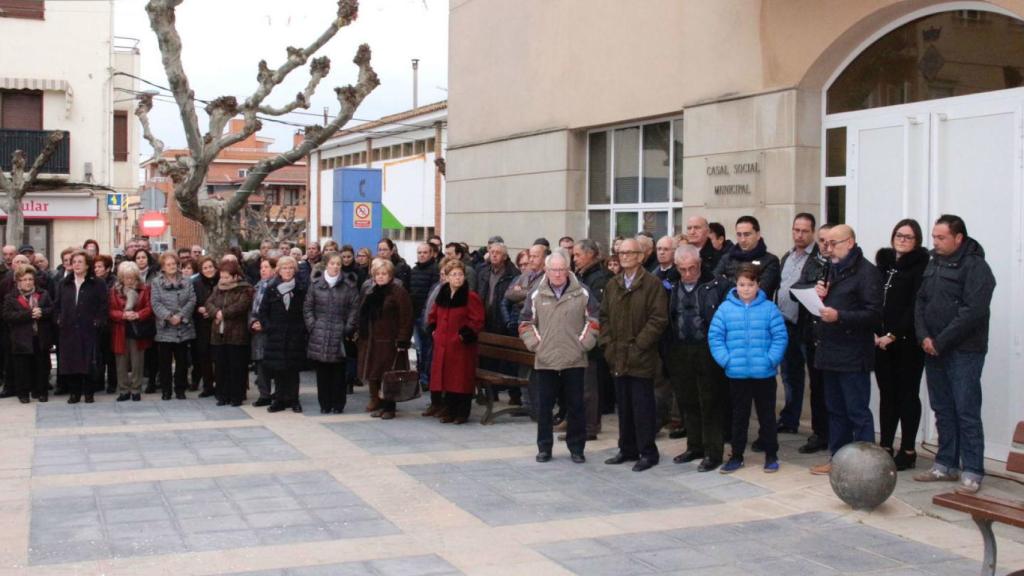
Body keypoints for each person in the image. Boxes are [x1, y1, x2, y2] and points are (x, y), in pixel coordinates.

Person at [913, 215, 996, 494]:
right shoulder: (934, 262)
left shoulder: (976, 267)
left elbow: (972, 312)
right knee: (943, 409)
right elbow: (921, 301)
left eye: (941, 238)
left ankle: (972, 469)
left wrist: (941, 341)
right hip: (933, 348)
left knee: (966, 409)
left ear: (958, 238)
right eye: (934, 237)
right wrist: (924, 336)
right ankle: (945, 464)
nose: (934, 243)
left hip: (963, 351)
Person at [809, 225, 883, 476]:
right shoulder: (831, 267)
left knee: (857, 411)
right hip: (829, 351)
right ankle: (837, 459)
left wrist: (839, 315)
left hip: (853, 354)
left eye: (834, 243)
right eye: (826, 243)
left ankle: (867, 467)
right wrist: (821, 296)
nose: (828, 248)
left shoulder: (867, 273)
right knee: (835, 410)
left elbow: (873, 315)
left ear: (850, 242)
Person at [519, 251, 599, 463]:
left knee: (576, 406)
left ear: (568, 270)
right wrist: (537, 345)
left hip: (574, 359)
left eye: (561, 269)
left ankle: (577, 448)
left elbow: (594, 320)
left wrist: (583, 344)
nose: (557, 274)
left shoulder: (583, 292)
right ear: (546, 270)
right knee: (544, 408)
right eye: (553, 270)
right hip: (546, 360)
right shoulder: (535, 294)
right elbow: (526, 323)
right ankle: (544, 448)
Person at [709, 264, 788, 474]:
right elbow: (715, 337)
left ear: (758, 285)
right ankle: (736, 455)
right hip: (737, 374)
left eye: (750, 284)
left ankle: (771, 454)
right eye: (742, 284)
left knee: (767, 416)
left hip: (764, 373)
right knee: (739, 417)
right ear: (736, 285)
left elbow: (780, 337)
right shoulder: (725, 309)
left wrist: (771, 359)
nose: (746, 289)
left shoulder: (769, 309)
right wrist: (726, 360)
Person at [600, 238, 667, 472]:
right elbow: (604, 317)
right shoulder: (613, 284)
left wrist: (639, 345)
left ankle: (648, 452)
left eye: (630, 252)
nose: (624, 256)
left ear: (641, 256)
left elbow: (658, 320)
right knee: (624, 406)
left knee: (642, 407)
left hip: (641, 356)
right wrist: (608, 345)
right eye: (621, 252)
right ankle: (626, 448)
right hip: (617, 355)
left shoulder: (652, 284)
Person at [665, 245, 730, 472]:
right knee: (687, 400)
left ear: (699, 265)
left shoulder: (717, 285)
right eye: (682, 269)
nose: (687, 274)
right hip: (681, 348)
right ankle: (695, 446)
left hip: (708, 349)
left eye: (692, 268)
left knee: (710, 402)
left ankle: (713, 452)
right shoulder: (670, 286)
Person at [874, 219, 929, 471]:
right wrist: (876, 333)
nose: (903, 240)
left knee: (907, 395)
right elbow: (874, 299)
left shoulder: (920, 267)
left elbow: (916, 305)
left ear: (916, 240)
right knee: (887, 395)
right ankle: (885, 445)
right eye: (899, 235)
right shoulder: (884, 265)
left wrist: (894, 333)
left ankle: (908, 449)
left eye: (908, 236)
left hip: (907, 343)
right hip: (880, 341)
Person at [427, 259, 484, 424]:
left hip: (461, 347)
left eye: (460, 274)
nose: (458, 278)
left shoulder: (470, 296)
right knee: (447, 379)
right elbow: (433, 315)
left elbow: (477, 320)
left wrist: (464, 335)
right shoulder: (443, 294)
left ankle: (462, 413)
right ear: (447, 277)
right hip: (443, 345)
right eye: (454, 275)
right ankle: (449, 410)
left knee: (461, 380)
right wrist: (433, 329)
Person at [776, 213, 818, 436]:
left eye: (804, 231)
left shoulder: (818, 258)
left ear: (812, 232)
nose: (799, 235)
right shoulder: (788, 256)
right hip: (784, 323)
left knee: (813, 375)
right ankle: (789, 419)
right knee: (789, 374)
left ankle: (818, 427)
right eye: (796, 230)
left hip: (805, 326)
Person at [357, 258, 413, 420]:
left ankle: (390, 407)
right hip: (373, 340)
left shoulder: (398, 292)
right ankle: (380, 404)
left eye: (384, 274)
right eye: (378, 274)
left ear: (390, 276)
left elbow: (406, 317)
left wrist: (402, 340)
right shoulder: (372, 291)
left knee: (389, 375)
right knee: (375, 373)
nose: (381, 277)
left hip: (390, 341)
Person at [304, 252, 359, 414]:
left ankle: (338, 404)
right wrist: (313, 326)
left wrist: (347, 328)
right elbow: (308, 307)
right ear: (326, 264)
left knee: (338, 372)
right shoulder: (316, 284)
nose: (335, 267)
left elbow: (354, 309)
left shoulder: (349, 286)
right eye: (332, 263)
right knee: (322, 373)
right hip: (319, 333)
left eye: (338, 264)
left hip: (339, 333)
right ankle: (324, 404)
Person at [56, 250, 109, 404]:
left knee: (89, 361)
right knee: (71, 362)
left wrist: (98, 321)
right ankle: (74, 393)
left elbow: (103, 305)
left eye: (80, 262)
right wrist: (58, 319)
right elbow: (57, 305)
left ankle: (89, 392)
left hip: (89, 328)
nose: (76, 265)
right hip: (68, 328)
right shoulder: (64, 283)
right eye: (74, 262)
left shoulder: (97, 283)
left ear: (87, 265)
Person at [258, 255, 308, 413]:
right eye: (284, 268)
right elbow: (262, 311)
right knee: (278, 369)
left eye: (290, 268)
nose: (287, 271)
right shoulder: (271, 288)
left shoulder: (301, 288)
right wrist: (269, 327)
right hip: (276, 336)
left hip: (294, 335)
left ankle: (293, 399)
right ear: (278, 270)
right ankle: (279, 399)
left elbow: (306, 311)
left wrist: (301, 330)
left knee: (293, 370)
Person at [573, 238, 613, 431]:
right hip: (577, 336)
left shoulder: (599, 278)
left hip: (591, 338)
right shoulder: (582, 275)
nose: (575, 259)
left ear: (590, 254)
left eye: (578, 255)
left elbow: (595, 309)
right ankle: (576, 420)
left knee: (589, 385)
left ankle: (590, 425)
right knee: (579, 384)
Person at [475, 241, 521, 405]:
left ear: (505, 256)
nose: (494, 255)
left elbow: (512, 299)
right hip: (486, 320)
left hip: (502, 321)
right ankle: (491, 393)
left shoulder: (512, 273)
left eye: (498, 252)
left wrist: (508, 319)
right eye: (492, 251)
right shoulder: (483, 271)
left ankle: (515, 395)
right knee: (488, 359)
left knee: (509, 360)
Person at [206, 259, 253, 407]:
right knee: (220, 366)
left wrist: (223, 313)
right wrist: (217, 312)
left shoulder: (244, 289)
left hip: (236, 334)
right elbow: (209, 303)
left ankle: (236, 396)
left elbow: (241, 306)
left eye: (226, 277)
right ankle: (222, 395)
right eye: (222, 276)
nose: (223, 280)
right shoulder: (217, 289)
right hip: (218, 334)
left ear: (235, 276)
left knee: (236, 367)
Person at [150, 252, 196, 401]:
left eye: (174, 264)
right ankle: (166, 390)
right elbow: (155, 303)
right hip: (165, 328)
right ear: (163, 267)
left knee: (182, 362)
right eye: (168, 264)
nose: (172, 267)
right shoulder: (156, 282)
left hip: (183, 327)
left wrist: (180, 316)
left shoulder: (187, 281)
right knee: (164, 363)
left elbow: (192, 300)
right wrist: (169, 317)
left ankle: (180, 389)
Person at [3, 265, 53, 403]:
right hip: (21, 339)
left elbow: (51, 309)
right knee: (22, 368)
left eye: (30, 279)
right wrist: (29, 314)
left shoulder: (43, 294)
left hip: (40, 337)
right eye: (24, 279)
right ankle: (23, 393)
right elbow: (8, 316)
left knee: (41, 366)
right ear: (18, 281)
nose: (28, 282)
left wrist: (42, 312)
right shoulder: (11, 297)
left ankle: (41, 392)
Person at [108, 261, 153, 402]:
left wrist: (138, 314)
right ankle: (123, 390)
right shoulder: (114, 291)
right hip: (120, 329)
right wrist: (122, 315)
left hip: (137, 330)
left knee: (137, 362)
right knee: (121, 362)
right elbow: (110, 310)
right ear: (121, 277)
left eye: (132, 277)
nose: (129, 280)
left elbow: (149, 307)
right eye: (126, 277)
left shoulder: (144, 289)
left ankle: (136, 389)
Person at [713, 215, 781, 298]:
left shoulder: (770, 261)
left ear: (758, 235)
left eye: (747, 234)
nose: (742, 239)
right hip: (728, 308)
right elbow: (713, 284)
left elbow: (761, 291)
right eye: (739, 235)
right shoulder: (727, 258)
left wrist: (726, 282)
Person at [408, 243, 440, 392]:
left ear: (431, 254)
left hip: (427, 316)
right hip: (415, 315)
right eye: (419, 252)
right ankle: (421, 377)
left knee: (427, 348)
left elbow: (432, 295)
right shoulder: (413, 271)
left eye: (425, 252)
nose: (421, 255)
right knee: (420, 349)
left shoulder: (435, 270)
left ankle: (426, 378)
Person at [249, 255, 277, 407]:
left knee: (274, 364)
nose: (263, 270)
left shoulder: (276, 286)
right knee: (260, 364)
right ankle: (264, 394)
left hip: (271, 332)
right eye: (261, 268)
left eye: (267, 267)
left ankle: (279, 394)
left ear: (274, 269)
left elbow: (276, 312)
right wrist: (253, 322)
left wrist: (264, 324)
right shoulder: (257, 287)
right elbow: (252, 310)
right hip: (258, 333)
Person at [191, 257, 218, 397]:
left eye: (210, 266)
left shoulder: (221, 280)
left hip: (218, 322)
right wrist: (198, 309)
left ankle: (219, 384)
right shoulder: (195, 283)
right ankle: (207, 386)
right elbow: (191, 300)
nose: (208, 270)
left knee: (218, 356)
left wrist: (213, 310)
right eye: (205, 268)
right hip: (201, 323)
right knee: (204, 355)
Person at [92, 254, 117, 394]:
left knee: (110, 355)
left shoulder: (114, 282)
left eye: (100, 267)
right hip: (97, 323)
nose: (97, 269)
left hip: (111, 323)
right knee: (98, 354)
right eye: (95, 267)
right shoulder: (93, 282)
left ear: (108, 268)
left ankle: (113, 383)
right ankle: (99, 381)